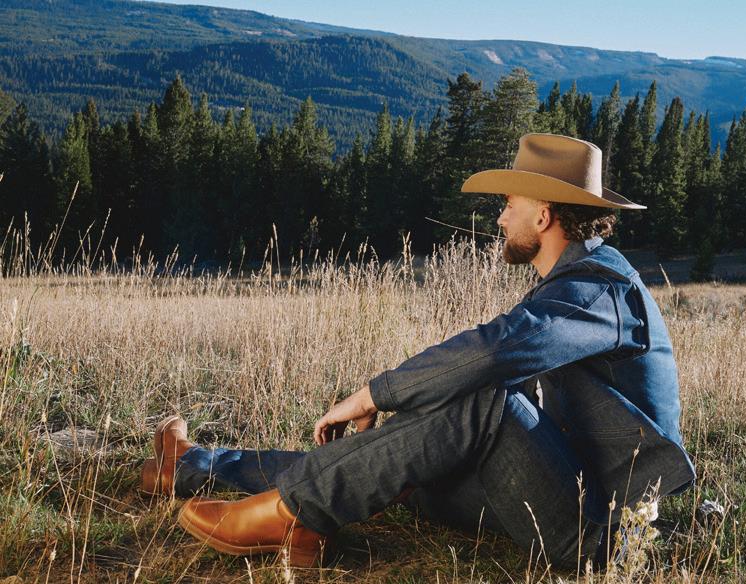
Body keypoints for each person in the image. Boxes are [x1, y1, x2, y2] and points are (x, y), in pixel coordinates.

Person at [143, 133, 695, 569]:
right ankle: (190, 467)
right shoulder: (573, 282)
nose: (500, 218)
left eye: (508, 205)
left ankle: (294, 514)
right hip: (553, 483)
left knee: (484, 398)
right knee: (399, 458)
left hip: (600, 529)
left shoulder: (599, 291)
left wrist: (373, 395)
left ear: (544, 215)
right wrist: (412, 415)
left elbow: (494, 353)